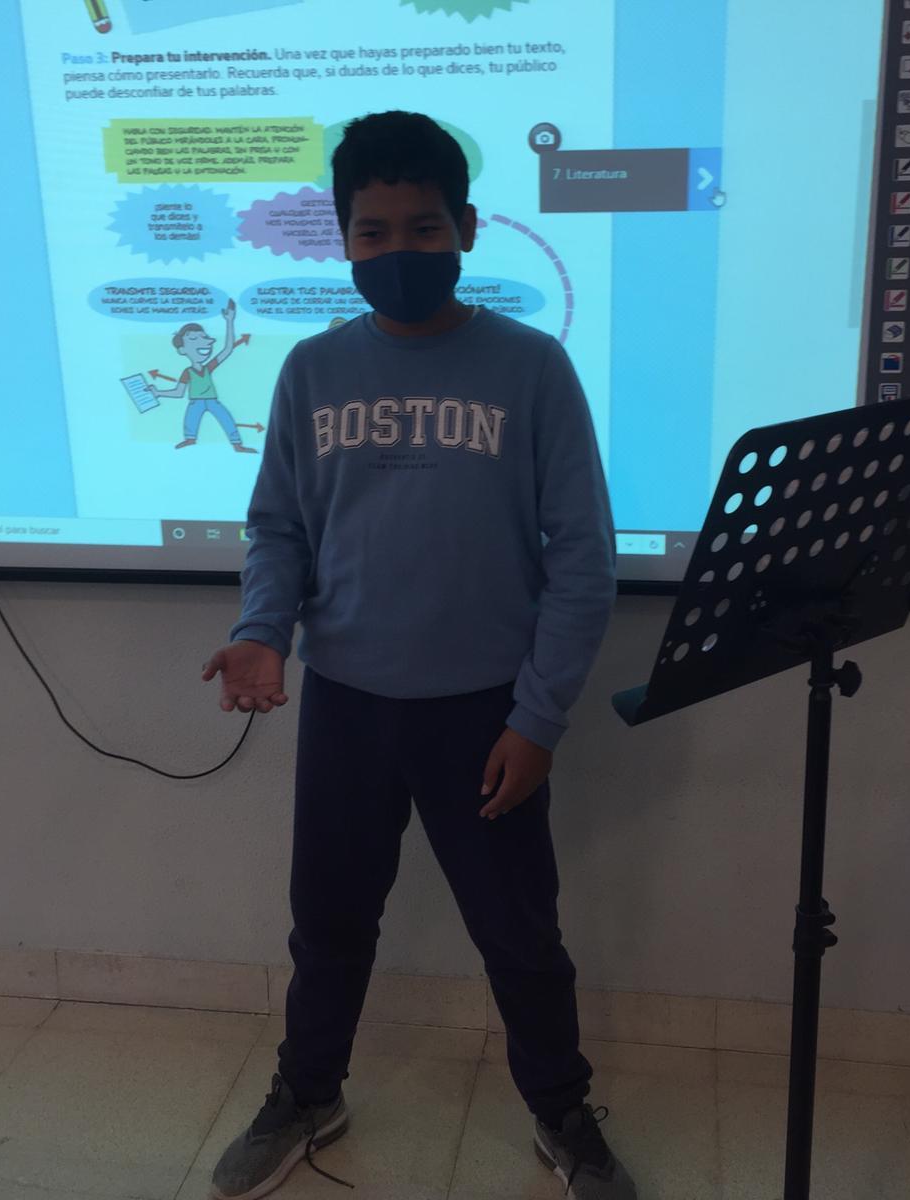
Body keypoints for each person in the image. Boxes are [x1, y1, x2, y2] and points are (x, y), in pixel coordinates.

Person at [203, 111, 631, 1200]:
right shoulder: (311, 370)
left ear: (467, 229)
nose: (399, 252)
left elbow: (584, 558)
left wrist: (538, 719)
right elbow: (278, 529)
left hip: (485, 715)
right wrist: (261, 631)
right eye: (373, 232)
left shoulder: (530, 368)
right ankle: (310, 1092)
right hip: (349, 703)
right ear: (344, 240)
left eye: (423, 228)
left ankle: (561, 1111)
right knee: (329, 926)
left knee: (519, 936)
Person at [151, 302, 257, 452]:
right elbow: (178, 392)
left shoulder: (208, 367)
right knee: (191, 420)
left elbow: (227, 349)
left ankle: (237, 444)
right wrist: (158, 393)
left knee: (226, 419)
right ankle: (190, 439)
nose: (205, 343)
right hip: (196, 402)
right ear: (182, 350)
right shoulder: (188, 372)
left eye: (204, 337)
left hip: (212, 400)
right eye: (193, 339)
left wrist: (229, 321)